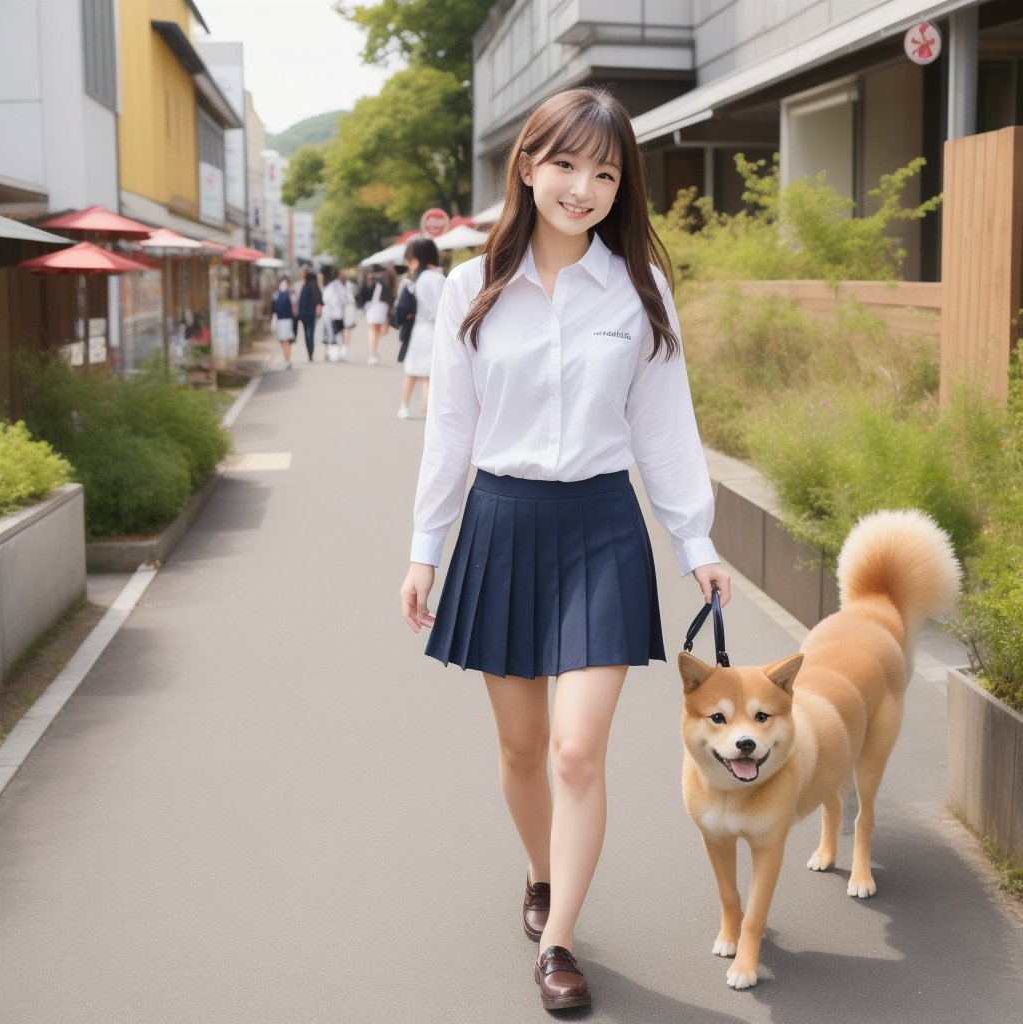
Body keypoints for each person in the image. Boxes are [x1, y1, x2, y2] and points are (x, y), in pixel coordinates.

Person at [399, 87, 732, 1012]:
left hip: (600, 529)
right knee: (521, 749)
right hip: (500, 526)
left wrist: (693, 540)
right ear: (529, 166)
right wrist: (426, 545)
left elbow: (665, 426)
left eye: (605, 171)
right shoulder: (470, 287)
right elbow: (450, 430)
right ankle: (540, 874)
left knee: (578, 751)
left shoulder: (637, 288)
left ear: (621, 186)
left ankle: (558, 940)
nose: (583, 186)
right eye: (566, 165)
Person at [397, 237, 443, 419]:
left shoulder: (416, 280)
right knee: (431, 373)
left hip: (417, 330)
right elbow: (443, 309)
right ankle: (428, 407)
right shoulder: (437, 278)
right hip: (434, 330)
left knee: (412, 371)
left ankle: (404, 407)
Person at [360, 264, 393, 365]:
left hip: (374, 307)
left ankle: (373, 354)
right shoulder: (385, 281)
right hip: (381, 308)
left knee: (373, 331)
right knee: (375, 331)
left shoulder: (371, 281)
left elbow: (363, 294)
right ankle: (374, 353)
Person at [297, 266, 323, 361]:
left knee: (309, 334)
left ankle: (310, 352)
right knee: (309, 334)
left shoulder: (310, 285)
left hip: (308, 314)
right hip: (306, 314)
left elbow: (318, 300)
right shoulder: (307, 285)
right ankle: (310, 352)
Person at [271, 275, 296, 369]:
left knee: (286, 340)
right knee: (285, 340)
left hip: (285, 320)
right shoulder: (279, 294)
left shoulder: (288, 294)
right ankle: (287, 359)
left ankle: (287, 359)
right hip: (283, 320)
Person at [321, 267, 346, 360]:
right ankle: (338, 352)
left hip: (331, 314)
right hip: (338, 313)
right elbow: (344, 299)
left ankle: (333, 353)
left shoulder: (330, 286)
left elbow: (325, 299)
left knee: (331, 334)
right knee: (338, 333)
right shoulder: (340, 286)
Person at [340, 270, 358, 360]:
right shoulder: (351, 286)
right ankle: (344, 348)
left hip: (346, 309)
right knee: (346, 329)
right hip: (347, 309)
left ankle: (343, 348)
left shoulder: (344, 286)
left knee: (345, 329)